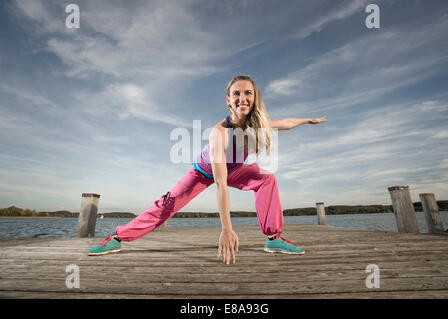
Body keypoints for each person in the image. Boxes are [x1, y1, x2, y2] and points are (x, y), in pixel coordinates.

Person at [88, 75, 326, 264]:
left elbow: (285, 123)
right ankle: (118, 237)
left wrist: (307, 120)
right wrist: (226, 229)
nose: (242, 98)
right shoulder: (219, 133)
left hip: (234, 168)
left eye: (247, 93)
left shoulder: (257, 125)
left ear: (255, 98)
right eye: (236, 93)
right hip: (203, 173)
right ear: (227, 100)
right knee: (168, 204)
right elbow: (221, 185)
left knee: (267, 178)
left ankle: (273, 239)